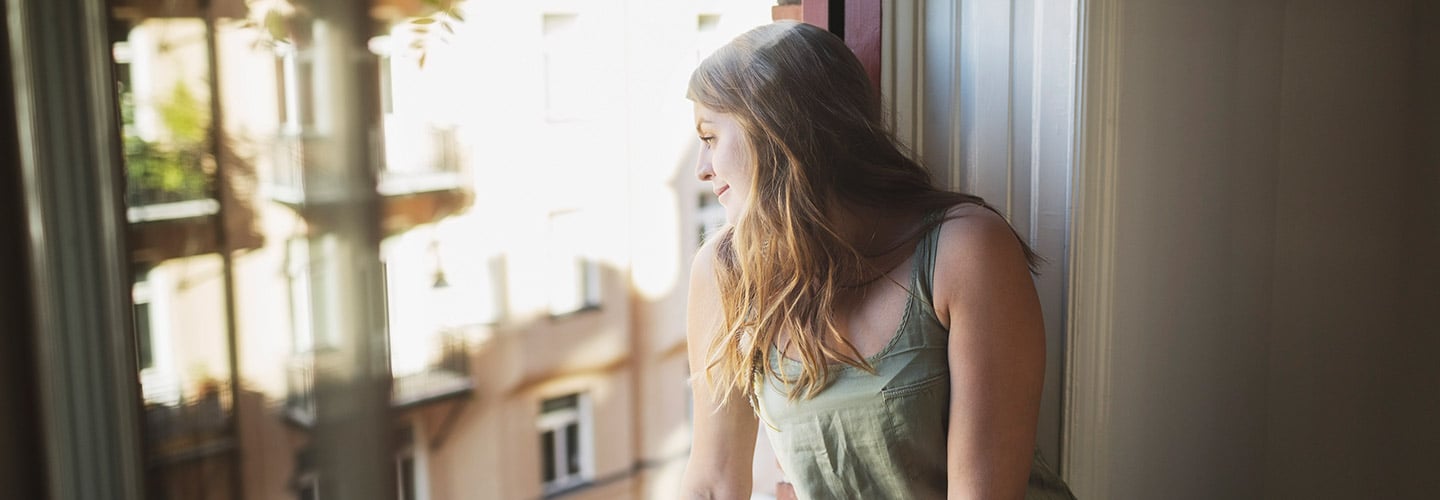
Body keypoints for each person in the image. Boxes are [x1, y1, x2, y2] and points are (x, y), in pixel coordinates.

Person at [680, 21, 1077, 500]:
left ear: (773, 129)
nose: (702, 170)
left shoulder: (965, 250)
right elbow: (713, 481)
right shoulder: (725, 273)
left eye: (709, 138)